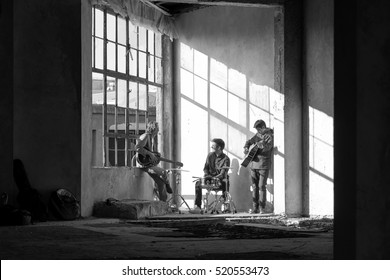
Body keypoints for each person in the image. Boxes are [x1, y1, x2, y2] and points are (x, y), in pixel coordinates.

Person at [190, 138, 230, 214]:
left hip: (219, 180)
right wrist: (206, 176)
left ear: (219, 148)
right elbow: (205, 168)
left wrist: (215, 178)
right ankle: (197, 206)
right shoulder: (210, 155)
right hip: (209, 178)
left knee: (226, 182)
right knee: (198, 183)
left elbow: (222, 174)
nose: (211, 147)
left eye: (213, 146)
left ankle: (226, 205)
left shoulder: (226, 159)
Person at [134, 121, 172, 201]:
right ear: (153, 128)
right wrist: (149, 154)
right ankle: (168, 185)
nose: (158, 130)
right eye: (157, 128)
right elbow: (137, 148)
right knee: (163, 172)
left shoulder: (151, 138)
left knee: (161, 183)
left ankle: (163, 203)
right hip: (144, 165)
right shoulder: (145, 136)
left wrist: (154, 154)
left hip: (148, 164)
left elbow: (148, 151)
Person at [243, 120, 274, 214]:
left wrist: (261, 145)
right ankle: (255, 208)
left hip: (263, 164)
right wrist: (246, 147)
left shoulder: (269, 136)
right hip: (253, 165)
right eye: (257, 130)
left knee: (261, 186)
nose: (258, 131)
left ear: (264, 127)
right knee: (254, 187)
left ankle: (262, 208)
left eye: (259, 129)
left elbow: (268, 148)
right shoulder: (258, 135)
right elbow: (249, 141)